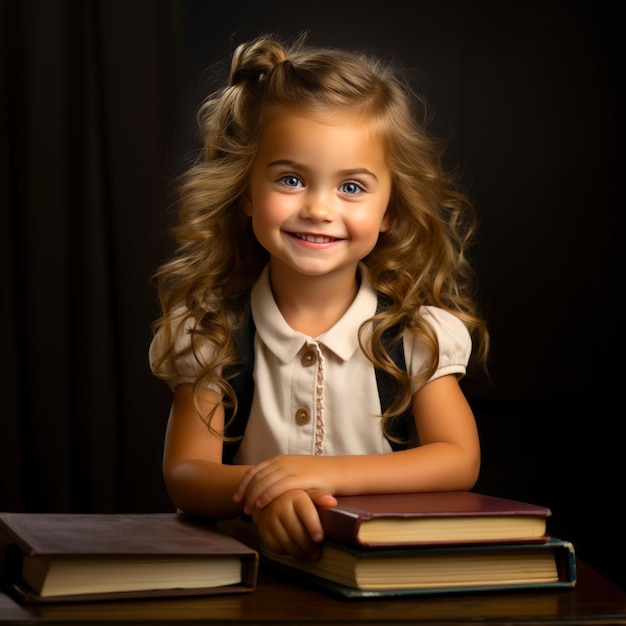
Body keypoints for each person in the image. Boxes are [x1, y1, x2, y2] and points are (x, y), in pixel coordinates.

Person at [149, 33, 489, 561]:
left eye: (351, 187)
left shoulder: (416, 333)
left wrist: (318, 473)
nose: (319, 208)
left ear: (390, 209)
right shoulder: (211, 331)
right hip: (257, 581)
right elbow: (187, 474)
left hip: (386, 575)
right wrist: (264, 495)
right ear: (245, 192)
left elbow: (458, 458)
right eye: (290, 179)